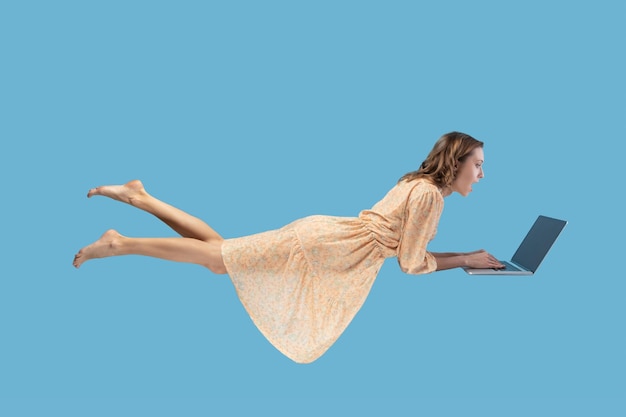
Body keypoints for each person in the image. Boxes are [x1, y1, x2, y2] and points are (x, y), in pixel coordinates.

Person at [73, 131, 504, 363]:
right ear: (457, 162)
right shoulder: (430, 196)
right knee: (218, 259)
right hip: (328, 249)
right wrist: (466, 259)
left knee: (223, 255)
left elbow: (403, 250)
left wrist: (465, 257)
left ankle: (141, 197)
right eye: (478, 165)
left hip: (329, 237)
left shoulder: (416, 182)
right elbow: (410, 264)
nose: (482, 174)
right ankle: (119, 242)